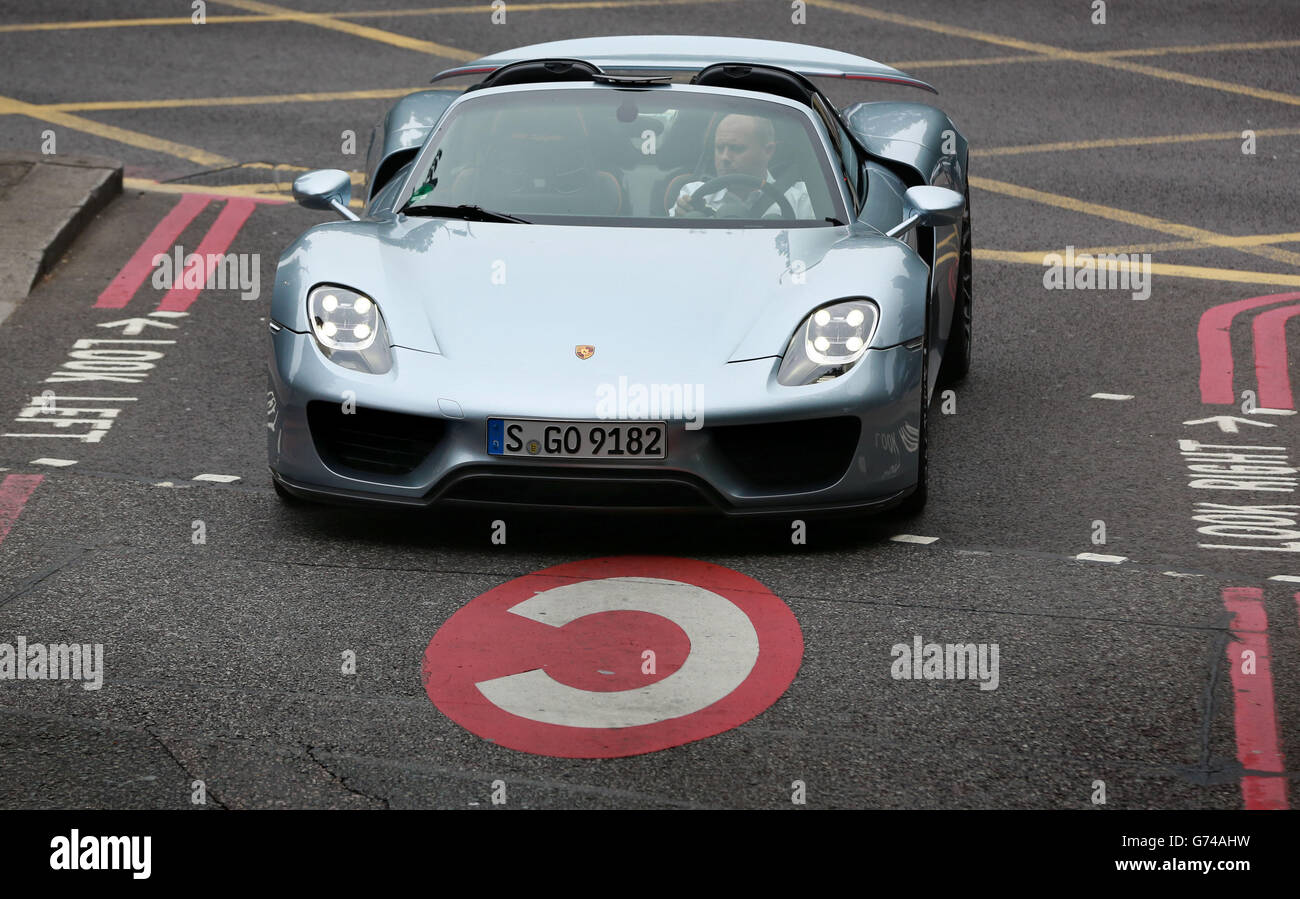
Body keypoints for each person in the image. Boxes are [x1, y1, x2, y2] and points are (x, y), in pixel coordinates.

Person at [669, 113, 814, 219]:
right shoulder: (693, 194)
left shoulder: (801, 199)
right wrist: (678, 219)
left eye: (736, 148)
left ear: (768, 151)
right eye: (719, 148)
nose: (725, 157)